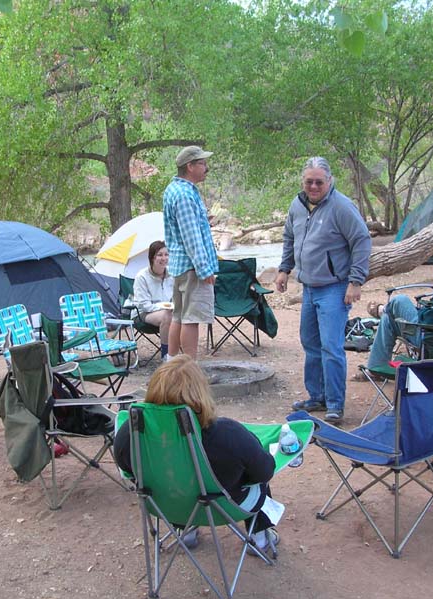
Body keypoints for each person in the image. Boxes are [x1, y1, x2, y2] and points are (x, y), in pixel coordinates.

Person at [113, 355, 280, 554]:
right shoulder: (227, 433)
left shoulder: (133, 432)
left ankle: (187, 533)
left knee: (174, 480)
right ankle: (259, 538)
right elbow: (264, 472)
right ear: (201, 393)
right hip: (224, 508)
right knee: (257, 476)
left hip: (166, 507)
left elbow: (126, 468)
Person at [276, 157, 371, 424]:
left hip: (334, 287)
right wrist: (284, 268)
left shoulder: (341, 206)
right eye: (309, 181)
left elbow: (362, 240)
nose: (314, 186)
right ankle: (317, 396)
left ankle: (335, 404)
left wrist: (356, 281)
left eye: (319, 181)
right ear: (302, 182)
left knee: (331, 347)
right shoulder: (297, 204)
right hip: (309, 287)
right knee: (311, 344)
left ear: (329, 181)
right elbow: (289, 237)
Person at [162, 145, 219, 360]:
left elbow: (185, 229)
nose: (207, 168)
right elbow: (191, 237)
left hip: (179, 265)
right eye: (203, 163)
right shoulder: (185, 195)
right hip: (191, 267)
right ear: (190, 166)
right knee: (190, 319)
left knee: (179, 316)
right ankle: (189, 367)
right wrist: (205, 269)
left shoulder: (173, 189)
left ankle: (173, 363)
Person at [132, 240, 174, 360]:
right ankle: (166, 356)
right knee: (168, 315)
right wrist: (165, 306)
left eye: (166, 254)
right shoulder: (142, 277)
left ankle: (183, 354)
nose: (164, 258)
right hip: (142, 314)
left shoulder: (172, 274)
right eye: (159, 255)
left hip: (168, 311)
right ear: (152, 258)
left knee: (184, 313)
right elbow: (144, 305)